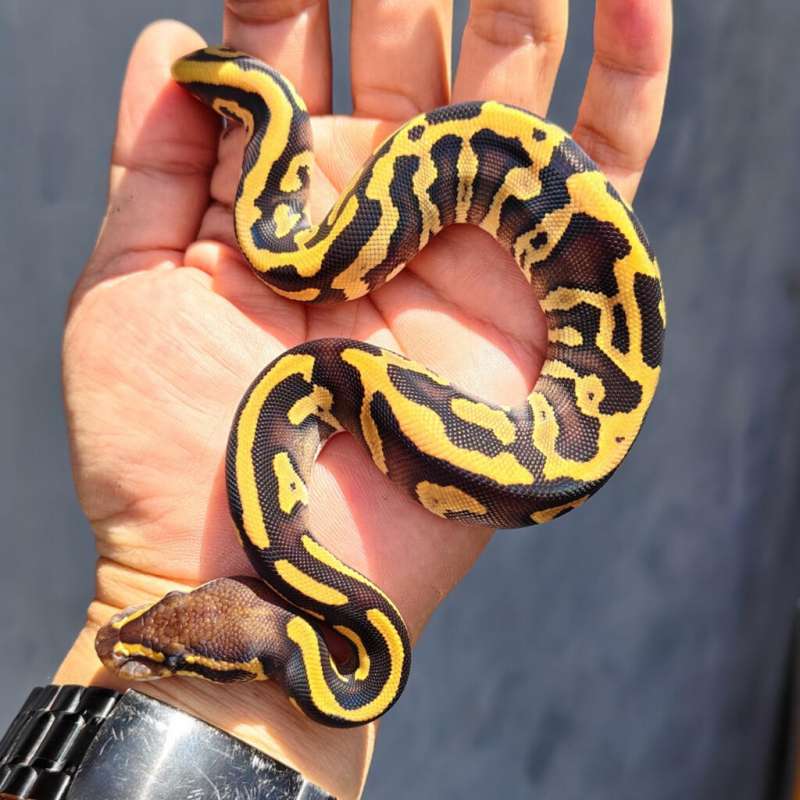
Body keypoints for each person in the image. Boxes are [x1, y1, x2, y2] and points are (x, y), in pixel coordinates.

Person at [54, 2, 672, 797]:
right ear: (256, 666)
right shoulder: (291, 582)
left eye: (166, 658)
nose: (130, 650)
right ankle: (271, 115)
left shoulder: (287, 541)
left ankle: (273, 114)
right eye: (167, 657)